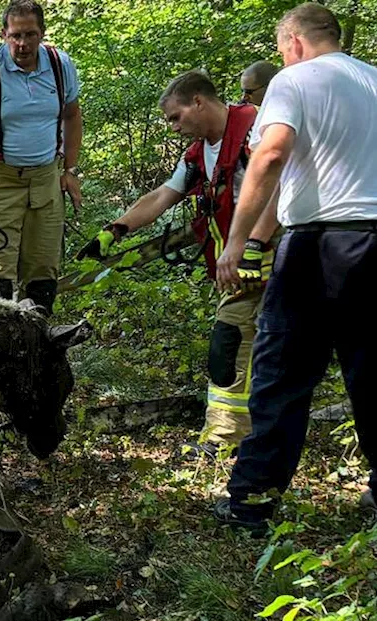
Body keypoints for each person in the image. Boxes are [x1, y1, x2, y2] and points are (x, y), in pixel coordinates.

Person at [213, 3, 377, 533]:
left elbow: (273, 156)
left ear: (295, 43)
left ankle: (252, 504)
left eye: (283, 50)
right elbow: (316, 171)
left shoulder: (295, 79)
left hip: (324, 247)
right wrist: (262, 236)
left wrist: (234, 243)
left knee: (282, 372)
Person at [81, 70, 280, 457]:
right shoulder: (199, 154)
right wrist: (115, 230)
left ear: (199, 102)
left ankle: (226, 439)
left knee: (231, 344)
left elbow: (284, 186)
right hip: (237, 264)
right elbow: (162, 195)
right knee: (256, 347)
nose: (174, 128)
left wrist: (253, 245)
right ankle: (254, 436)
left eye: (176, 117)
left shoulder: (256, 131)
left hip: (269, 258)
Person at [0, 0, 82, 315]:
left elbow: (72, 117)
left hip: (45, 180)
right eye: (15, 35)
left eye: (30, 35)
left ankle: (36, 351)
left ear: (42, 34)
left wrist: (70, 169)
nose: (22, 43)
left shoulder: (59, 65)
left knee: (43, 273)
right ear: (3, 34)